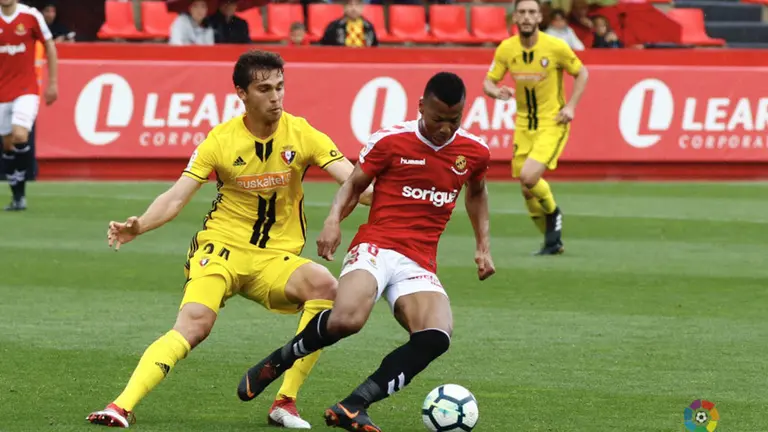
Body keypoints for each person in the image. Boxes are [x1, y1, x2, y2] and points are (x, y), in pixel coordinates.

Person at [86, 50, 372, 430]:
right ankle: (120, 406)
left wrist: (408, 185)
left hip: (272, 258)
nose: (276, 97)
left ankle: (284, 402)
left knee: (326, 287)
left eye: (280, 87)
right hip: (220, 249)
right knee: (195, 325)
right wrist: (139, 226)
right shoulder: (220, 140)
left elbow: (356, 184)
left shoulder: (303, 134)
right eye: (264, 89)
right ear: (241, 93)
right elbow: (175, 197)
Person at [236, 72, 496, 432]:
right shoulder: (391, 141)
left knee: (437, 335)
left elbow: (478, 193)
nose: (445, 129)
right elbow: (353, 185)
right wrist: (333, 221)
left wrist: (483, 246)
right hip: (377, 246)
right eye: (437, 119)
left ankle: (354, 405)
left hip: (419, 261)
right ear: (421, 107)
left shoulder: (474, 151)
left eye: (454, 120)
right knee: (347, 320)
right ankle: (279, 360)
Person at [483, 0, 589, 255]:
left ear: (540, 17)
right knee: (526, 190)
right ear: (515, 18)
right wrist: (497, 92)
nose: (527, 17)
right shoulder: (507, 49)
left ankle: (554, 213)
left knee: (529, 177)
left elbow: (582, 72)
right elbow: (488, 81)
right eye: (522, 12)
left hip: (552, 123)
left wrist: (571, 106)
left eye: (532, 12)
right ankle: (552, 242)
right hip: (523, 125)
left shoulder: (555, 47)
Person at [0, 0, 58, 211]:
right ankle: (16, 196)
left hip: (26, 90)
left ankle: (22, 193)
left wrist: (52, 84)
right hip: (1, 92)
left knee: (20, 135)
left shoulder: (31, 16)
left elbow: (50, 45)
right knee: (7, 144)